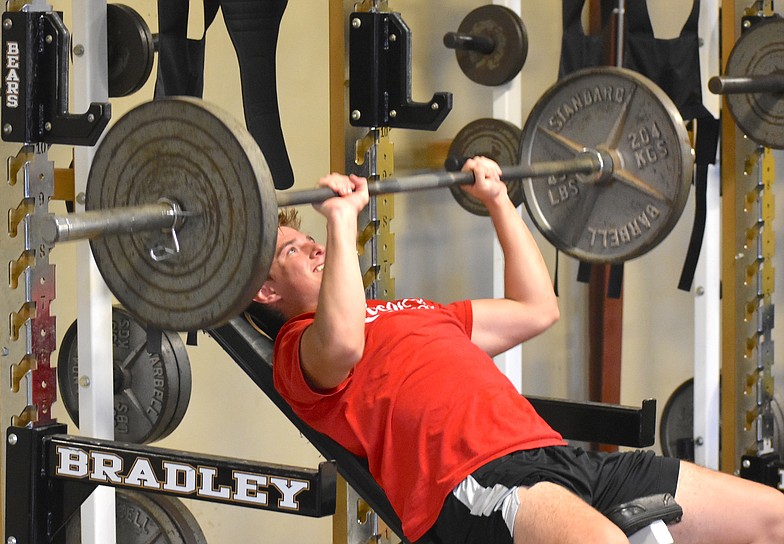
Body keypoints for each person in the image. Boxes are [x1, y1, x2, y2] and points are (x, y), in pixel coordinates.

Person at [251, 157, 784, 543]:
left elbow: (536, 309)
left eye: (311, 239)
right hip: (476, 482)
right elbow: (342, 341)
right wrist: (342, 222)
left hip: (563, 459)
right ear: (266, 291)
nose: (315, 246)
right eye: (293, 250)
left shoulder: (413, 311)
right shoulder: (297, 350)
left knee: (772, 518)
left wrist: (500, 202)